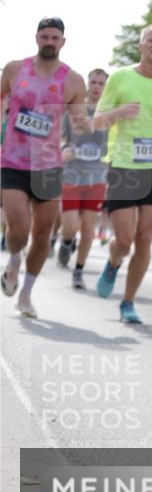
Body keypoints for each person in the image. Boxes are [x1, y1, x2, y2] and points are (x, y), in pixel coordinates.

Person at [93, 23, 152, 324]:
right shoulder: (121, 78)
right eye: (150, 40)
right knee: (123, 240)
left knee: (144, 238)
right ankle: (113, 262)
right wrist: (118, 114)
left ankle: (128, 301)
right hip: (124, 165)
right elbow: (97, 122)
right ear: (141, 45)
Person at [0, 18, 85, 316]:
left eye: (55, 37)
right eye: (45, 36)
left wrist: (91, 124)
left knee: (42, 233)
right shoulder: (14, 69)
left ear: (63, 42)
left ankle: (25, 294)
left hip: (50, 165)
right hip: (13, 160)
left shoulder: (73, 81)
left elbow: (78, 123)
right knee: (19, 227)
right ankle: (13, 259)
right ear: (36, 38)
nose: (50, 42)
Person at [58, 68, 110, 288]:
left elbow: (116, 142)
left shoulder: (109, 113)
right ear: (88, 83)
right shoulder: (74, 110)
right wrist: (63, 149)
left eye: (101, 83)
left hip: (97, 178)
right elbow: (61, 138)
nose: (97, 87)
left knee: (88, 228)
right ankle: (67, 241)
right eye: (94, 82)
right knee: (69, 226)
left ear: (106, 86)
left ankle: (79, 270)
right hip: (72, 174)